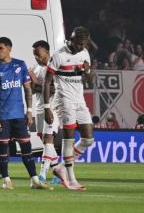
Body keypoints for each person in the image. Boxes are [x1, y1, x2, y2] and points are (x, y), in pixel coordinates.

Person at [0, 37, 51, 190]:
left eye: (0, 48)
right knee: (3, 147)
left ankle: (34, 180)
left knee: (26, 146)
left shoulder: (19, 65)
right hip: (1, 116)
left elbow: (28, 90)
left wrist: (29, 111)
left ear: (9, 49)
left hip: (19, 115)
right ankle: (6, 180)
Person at [44, 26, 95, 191]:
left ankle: (60, 167)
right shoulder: (59, 55)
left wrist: (87, 70)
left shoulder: (85, 53)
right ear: (71, 39)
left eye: (84, 44)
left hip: (79, 100)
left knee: (88, 139)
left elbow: (90, 81)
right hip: (63, 100)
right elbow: (47, 82)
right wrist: (47, 107)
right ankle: (71, 179)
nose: (81, 47)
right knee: (69, 138)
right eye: (79, 43)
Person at [28, 40, 67, 184]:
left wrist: (36, 82)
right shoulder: (36, 68)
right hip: (39, 107)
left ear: (47, 52)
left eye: (38, 54)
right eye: (34, 55)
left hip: (51, 108)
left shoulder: (54, 67)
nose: (36, 58)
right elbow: (32, 90)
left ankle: (42, 174)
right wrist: (30, 82)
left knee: (48, 139)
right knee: (44, 140)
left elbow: (53, 89)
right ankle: (58, 170)